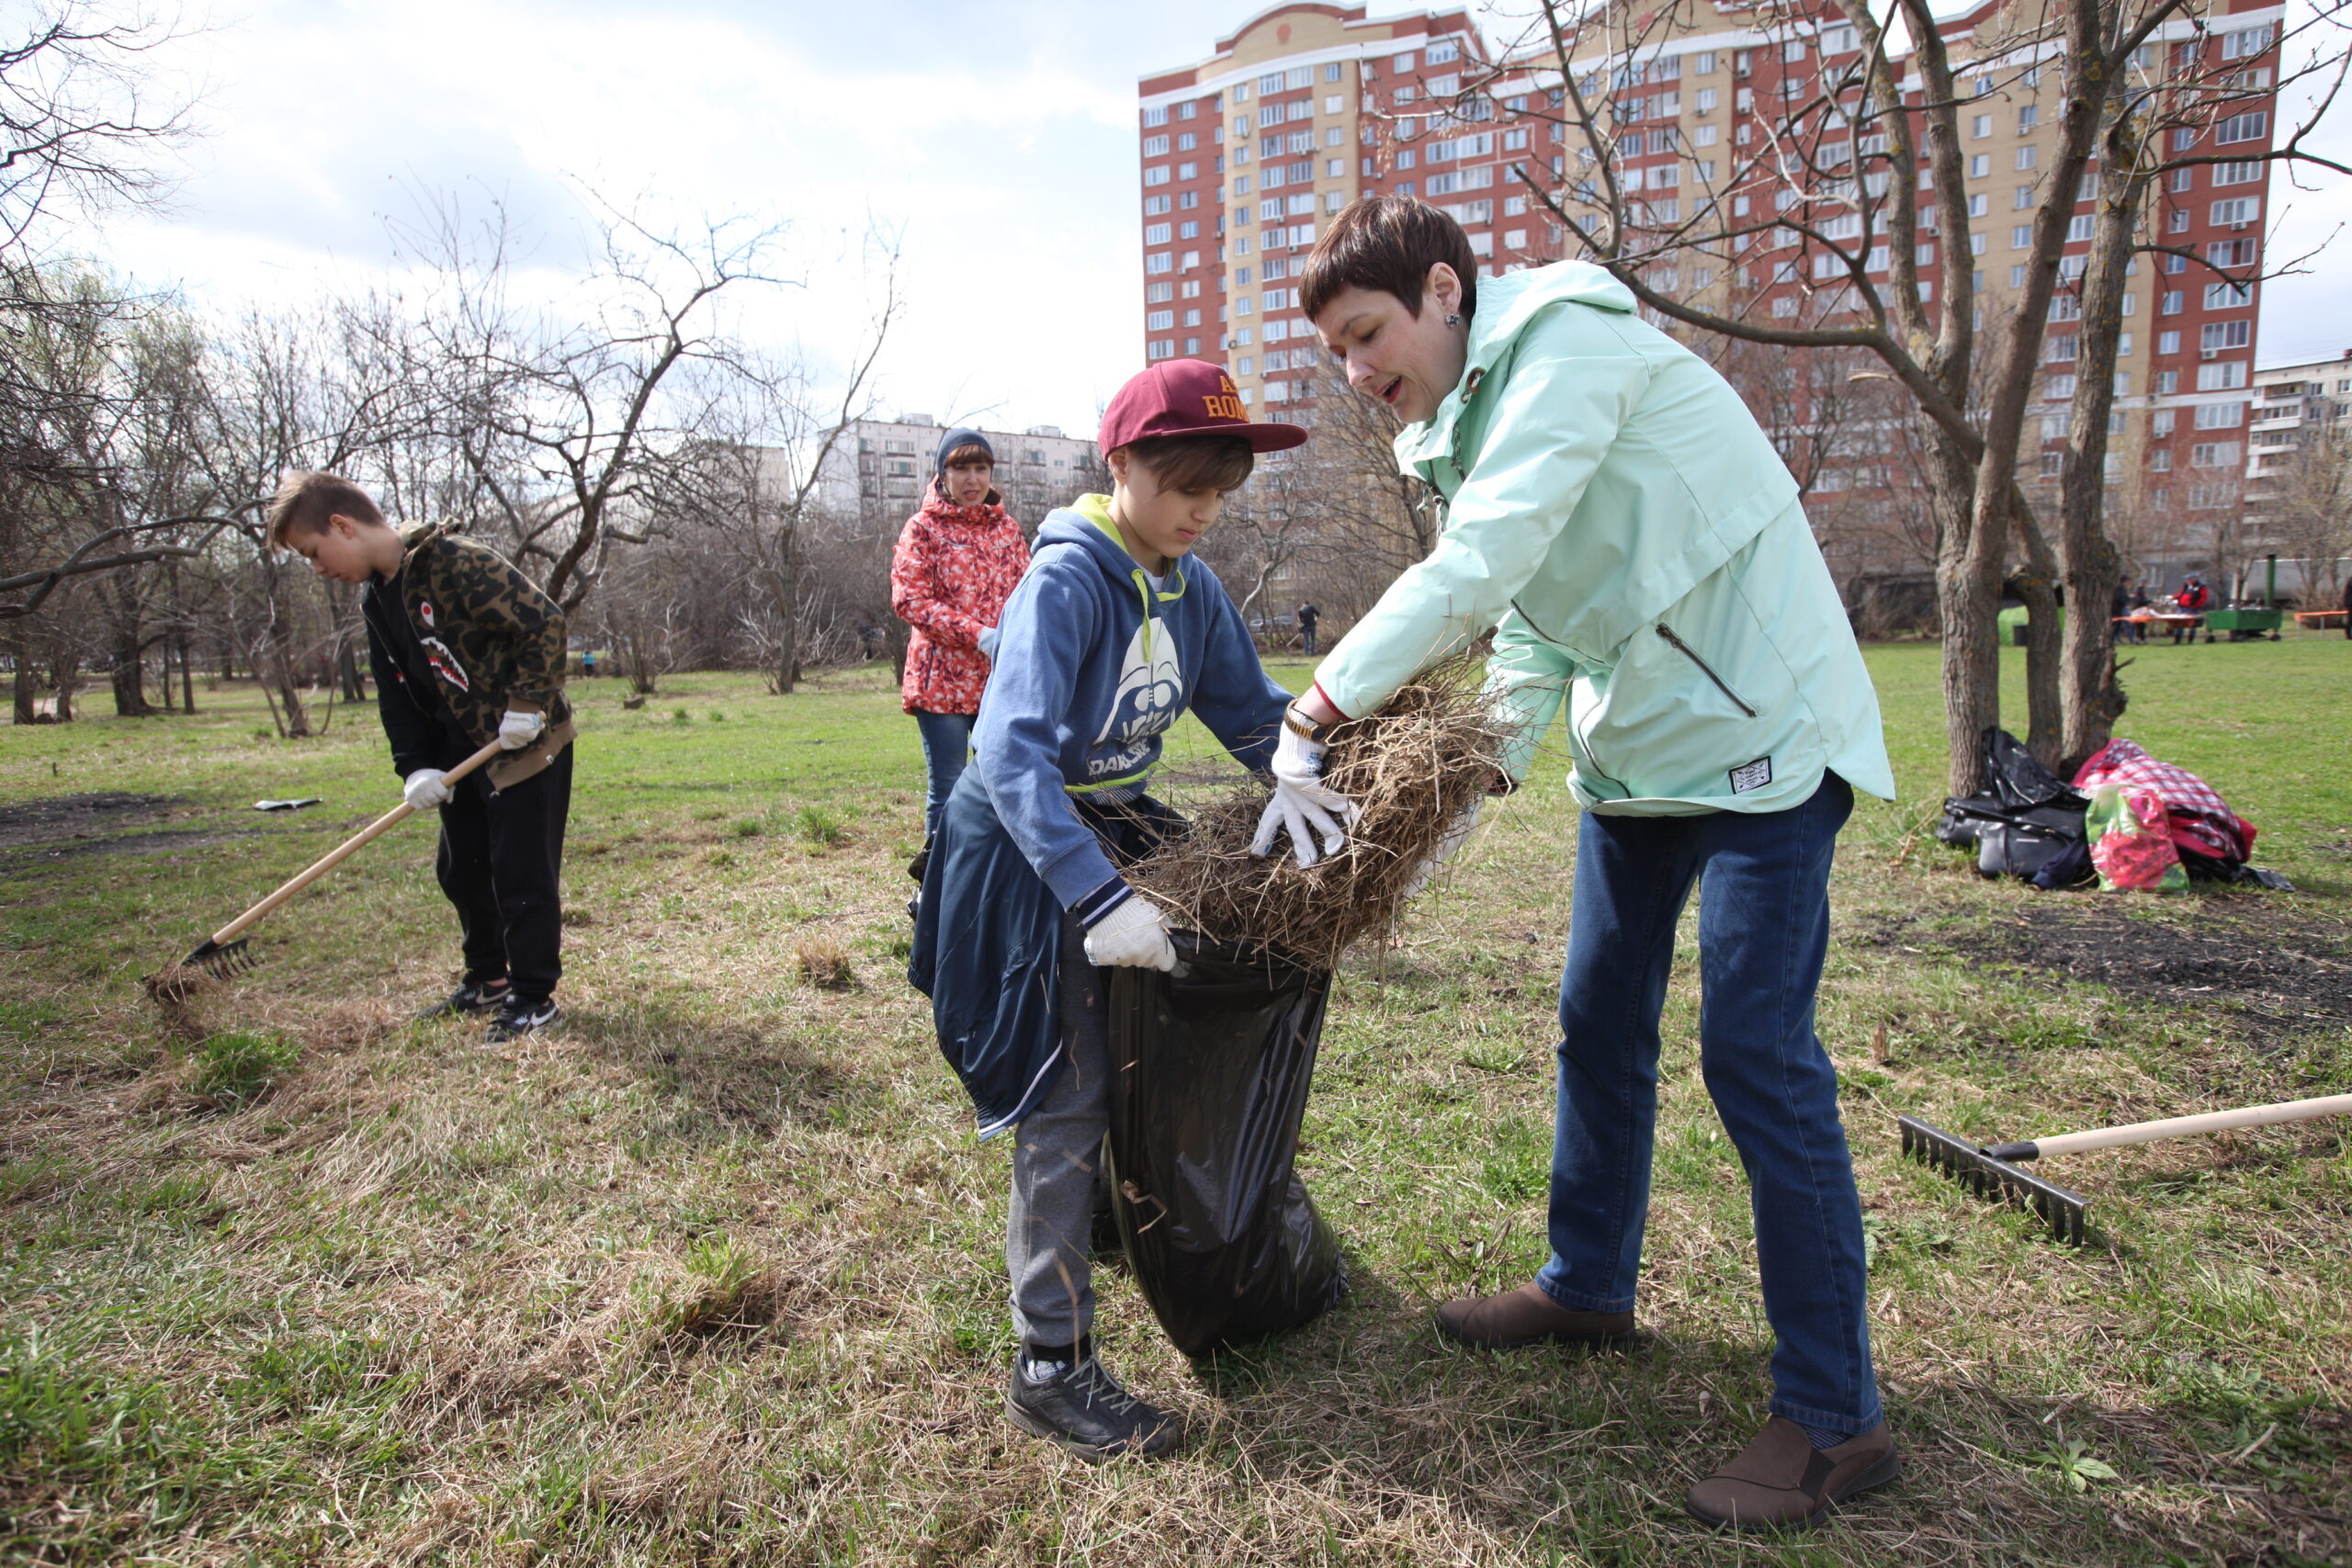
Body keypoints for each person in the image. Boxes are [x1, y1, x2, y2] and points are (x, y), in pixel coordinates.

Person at [1257, 197, 1900, 1531]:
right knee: (1597, 1020)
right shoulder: (1467, 420)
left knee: (1758, 1054)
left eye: (1369, 333)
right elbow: (1541, 625)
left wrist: (1316, 711)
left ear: (1443, 292)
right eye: (1338, 353)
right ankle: (1589, 1282)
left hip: (1767, 735)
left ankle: (1836, 1414)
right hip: (1643, 752)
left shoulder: (1570, 354)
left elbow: (1484, 565)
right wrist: (1468, 783)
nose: (1359, 371)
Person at [908, 361, 1311, 1461]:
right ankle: (1050, 1360)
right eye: (1183, 482)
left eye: (1219, 488)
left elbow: (1247, 710)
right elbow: (1007, 748)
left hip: (1112, 820)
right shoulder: (1070, 578)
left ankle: (1104, 1216)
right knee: (1066, 1088)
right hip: (1023, 845)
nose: (1201, 508)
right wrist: (1092, 896)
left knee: (1142, 1040)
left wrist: (1321, 773)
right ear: (1121, 462)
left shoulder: (1189, 581)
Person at [270, 471, 576, 1043]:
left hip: (523, 744)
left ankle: (534, 998)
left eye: (314, 553)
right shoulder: (375, 598)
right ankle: (488, 979)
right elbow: (396, 690)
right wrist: (415, 765)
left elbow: (544, 623)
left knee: (521, 874)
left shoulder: (455, 561)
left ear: (343, 525)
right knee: (462, 870)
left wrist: (526, 703)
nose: (317, 568)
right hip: (460, 753)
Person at [890, 429, 1031, 840]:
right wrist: (979, 635)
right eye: (961, 469)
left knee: (998, 785)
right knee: (948, 787)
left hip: (997, 682)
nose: (972, 479)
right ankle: (935, 886)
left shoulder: (1007, 530)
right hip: (941, 685)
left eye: (980, 468)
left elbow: (1029, 593)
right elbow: (910, 600)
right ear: (943, 474)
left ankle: (985, 878)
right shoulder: (922, 529)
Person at [2174, 573, 2211, 643]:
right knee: (2179, 624)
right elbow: (2180, 594)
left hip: (2193, 608)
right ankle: (2177, 640)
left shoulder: (2201, 587)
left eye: (2189, 579)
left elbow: (2203, 598)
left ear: (2194, 579)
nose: (2187, 580)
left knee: (2192, 625)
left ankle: (2190, 640)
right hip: (2182, 607)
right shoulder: (2186, 586)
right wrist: (2174, 597)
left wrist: (2196, 605)